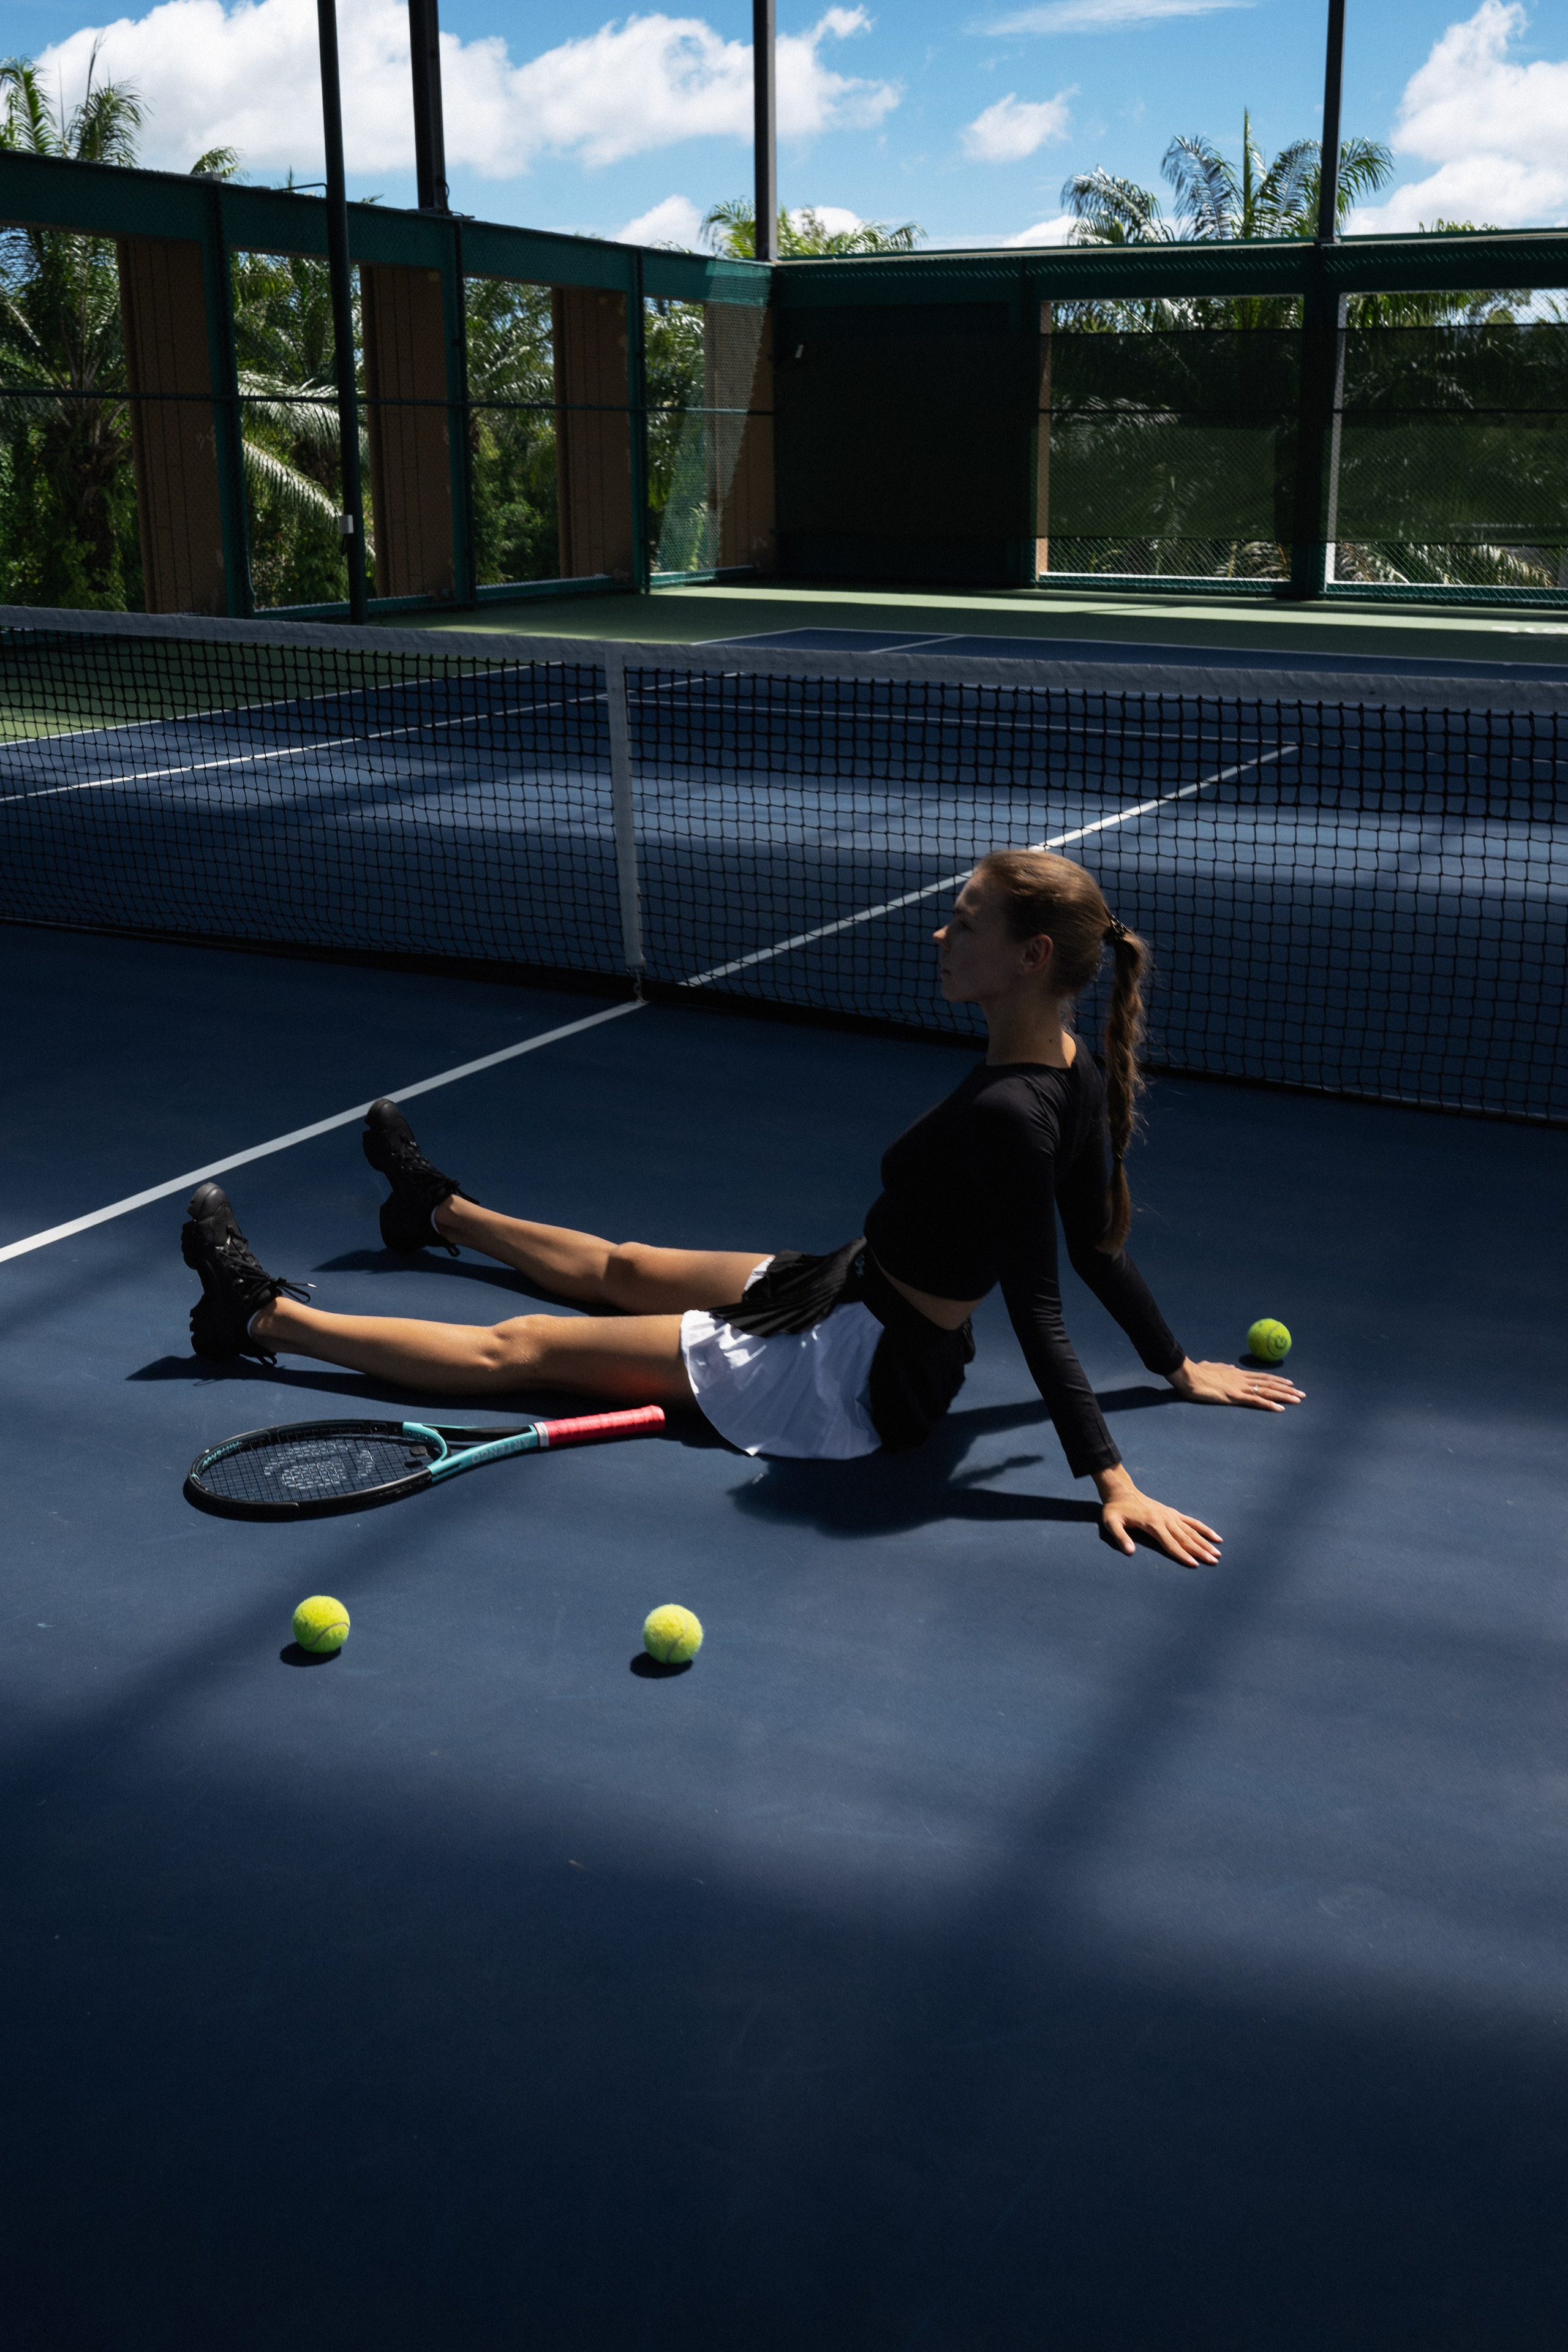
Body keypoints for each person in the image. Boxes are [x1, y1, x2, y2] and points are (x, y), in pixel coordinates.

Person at [179, 850, 1302, 1566]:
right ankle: (440, 1216)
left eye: (965, 922)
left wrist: (1113, 1478)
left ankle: (258, 1317)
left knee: (520, 1347)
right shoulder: (1065, 1062)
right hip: (849, 1284)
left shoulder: (1018, 1111)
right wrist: (1175, 1365)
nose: (941, 935)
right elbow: (1102, 1243)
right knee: (621, 1264)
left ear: (1031, 955)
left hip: (853, 1365)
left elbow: (1046, 1300)